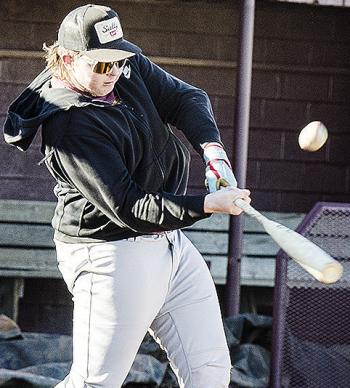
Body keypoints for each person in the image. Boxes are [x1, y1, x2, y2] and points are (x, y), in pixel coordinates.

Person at [3, 4, 251, 388]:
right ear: (68, 59)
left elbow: (187, 98)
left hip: (171, 246)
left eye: (119, 61)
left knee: (211, 372)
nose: (114, 73)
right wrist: (207, 205)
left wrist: (213, 153)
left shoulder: (122, 64)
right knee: (95, 383)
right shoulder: (69, 123)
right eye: (102, 65)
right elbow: (130, 206)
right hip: (110, 255)